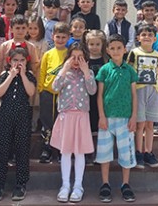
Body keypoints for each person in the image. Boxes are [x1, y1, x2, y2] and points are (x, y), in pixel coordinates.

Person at [51, 43, 97, 203]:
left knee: (79, 152)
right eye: (73, 57)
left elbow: (92, 90)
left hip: (81, 117)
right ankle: (65, 185)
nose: (77, 61)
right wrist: (63, 70)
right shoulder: (64, 73)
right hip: (65, 116)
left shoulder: (88, 73)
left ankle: (78, 185)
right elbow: (55, 87)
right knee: (65, 152)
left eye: (80, 58)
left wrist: (86, 73)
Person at [96, 34, 138, 203]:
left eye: (119, 48)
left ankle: (125, 184)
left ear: (125, 49)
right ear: (107, 50)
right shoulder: (105, 69)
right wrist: (101, 116)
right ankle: (105, 184)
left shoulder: (130, 70)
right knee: (105, 153)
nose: (115, 51)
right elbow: (99, 95)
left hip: (125, 119)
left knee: (125, 153)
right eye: (112, 48)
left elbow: (134, 95)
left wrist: (134, 116)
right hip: (107, 118)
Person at [0, 47, 36, 202]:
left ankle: (21, 184)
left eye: (22, 60)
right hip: (5, 117)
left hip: (22, 116)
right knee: (2, 150)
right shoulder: (4, 75)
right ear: (9, 61)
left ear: (26, 62)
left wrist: (22, 75)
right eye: (15, 60)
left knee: (22, 150)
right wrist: (11, 76)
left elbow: (31, 92)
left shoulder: (29, 76)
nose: (19, 63)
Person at [127, 23, 158, 169]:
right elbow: (129, 70)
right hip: (139, 90)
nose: (147, 37)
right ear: (138, 37)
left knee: (150, 124)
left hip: (153, 90)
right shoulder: (134, 53)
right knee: (140, 123)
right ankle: (138, 152)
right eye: (144, 35)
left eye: (150, 35)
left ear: (155, 39)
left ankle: (149, 151)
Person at [38, 22, 70, 163]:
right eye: (58, 37)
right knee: (47, 121)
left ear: (68, 38)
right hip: (48, 93)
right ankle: (47, 148)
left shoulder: (69, 54)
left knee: (62, 122)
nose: (60, 40)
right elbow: (42, 72)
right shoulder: (48, 54)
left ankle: (62, 149)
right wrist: (41, 89)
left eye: (63, 37)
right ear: (53, 36)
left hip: (64, 94)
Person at [84, 29, 108, 165]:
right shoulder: (84, 59)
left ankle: (101, 153)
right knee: (87, 125)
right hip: (87, 97)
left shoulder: (106, 60)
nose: (94, 47)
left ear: (102, 45)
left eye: (97, 44)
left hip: (102, 97)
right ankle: (88, 153)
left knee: (99, 125)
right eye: (91, 44)